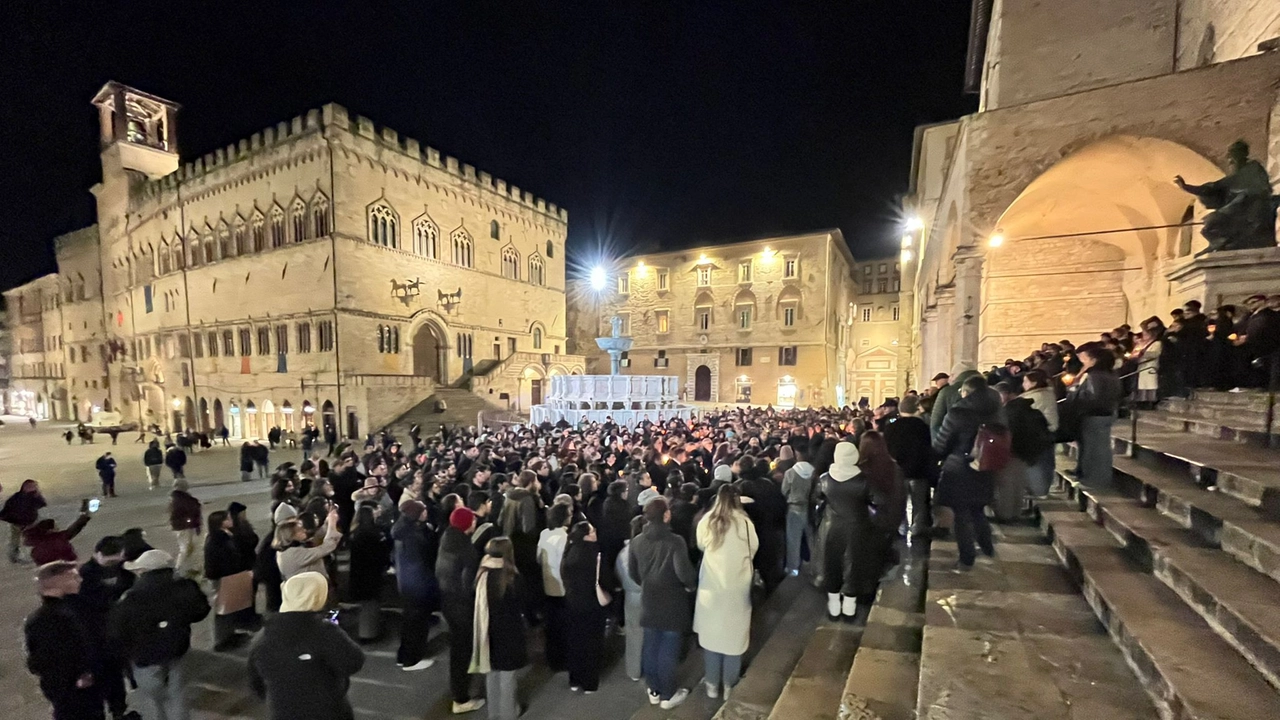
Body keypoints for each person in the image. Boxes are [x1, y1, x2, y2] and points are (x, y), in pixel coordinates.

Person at [249, 572, 366, 720]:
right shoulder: (323, 630)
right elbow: (353, 662)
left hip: (281, 712)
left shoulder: (262, 636)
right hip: (327, 711)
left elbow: (256, 683)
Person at [110, 549, 211, 720]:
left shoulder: (131, 597)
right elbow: (201, 611)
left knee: (151, 698)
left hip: (145, 656)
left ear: (144, 570)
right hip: (177, 648)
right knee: (177, 693)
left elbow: (118, 630)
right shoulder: (185, 586)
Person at [629, 497, 698, 709]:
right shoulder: (674, 541)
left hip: (650, 599)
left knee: (650, 645)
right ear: (666, 515)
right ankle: (669, 694)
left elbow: (633, 572)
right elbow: (684, 572)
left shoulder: (637, 541)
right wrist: (690, 585)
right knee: (668, 648)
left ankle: (654, 689)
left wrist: (647, 582)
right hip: (672, 601)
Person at [25, 561, 114, 720]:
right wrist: (78, 676)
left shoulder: (64, 610)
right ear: (59, 582)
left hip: (79, 686)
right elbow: (45, 657)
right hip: (73, 689)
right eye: (73, 577)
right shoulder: (49, 619)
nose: (79, 580)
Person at [933, 375, 1003, 571]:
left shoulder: (958, 412)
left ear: (966, 392)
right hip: (986, 466)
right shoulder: (996, 410)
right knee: (978, 510)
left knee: (961, 515)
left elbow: (941, 444)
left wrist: (937, 456)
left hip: (960, 469)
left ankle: (966, 559)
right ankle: (988, 548)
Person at [694, 484, 757, 700]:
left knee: (712, 637)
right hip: (737, 587)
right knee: (734, 639)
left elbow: (701, 545)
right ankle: (730, 684)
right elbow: (753, 548)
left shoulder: (707, 521)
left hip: (711, 587)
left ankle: (712, 683)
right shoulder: (744, 523)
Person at [76, 537, 136, 720]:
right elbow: (85, 605)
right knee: (101, 680)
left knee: (117, 677)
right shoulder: (84, 575)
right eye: (109, 561)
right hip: (95, 637)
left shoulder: (124, 569)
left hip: (118, 634)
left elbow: (131, 586)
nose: (113, 565)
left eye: (117, 561)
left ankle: (119, 710)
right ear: (97, 554)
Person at [816, 442, 878, 621]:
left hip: (830, 527)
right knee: (853, 564)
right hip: (857, 527)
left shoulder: (825, 478)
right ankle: (850, 608)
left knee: (831, 563)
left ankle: (833, 607)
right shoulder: (864, 479)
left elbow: (817, 498)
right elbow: (878, 500)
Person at [470, 537, 528, 720]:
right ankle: (509, 713)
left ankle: (493, 713)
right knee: (507, 677)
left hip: (487, 631)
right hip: (510, 632)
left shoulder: (482, 573)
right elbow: (524, 603)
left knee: (492, 673)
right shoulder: (512, 577)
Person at [436, 506, 486, 714]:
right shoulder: (466, 549)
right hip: (462, 606)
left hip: (447, 599)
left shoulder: (447, 539)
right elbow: (468, 584)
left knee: (458, 647)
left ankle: (461, 690)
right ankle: (461, 698)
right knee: (462, 651)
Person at [1064, 342, 1123, 489]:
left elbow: (1093, 397)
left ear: (1095, 360)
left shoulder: (1094, 375)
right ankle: (1088, 475)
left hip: (1094, 415)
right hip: (1103, 413)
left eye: (1088, 358)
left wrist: (1074, 394)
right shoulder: (1110, 374)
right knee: (1094, 447)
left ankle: (1095, 480)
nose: (1085, 361)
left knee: (1095, 449)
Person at [561, 521, 609, 693]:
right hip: (591, 604)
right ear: (587, 535)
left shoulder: (569, 552)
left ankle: (575, 679)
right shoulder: (594, 554)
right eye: (592, 530)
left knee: (575, 641)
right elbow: (604, 578)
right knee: (592, 643)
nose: (595, 532)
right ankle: (589, 682)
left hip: (573, 603)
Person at [391, 500, 437, 671]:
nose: (426, 512)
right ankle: (412, 659)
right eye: (422, 510)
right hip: (417, 583)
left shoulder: (402, 531)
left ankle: (404, 656)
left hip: (406, 582)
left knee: (410, 620)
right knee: (417, 621)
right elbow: (423, 560)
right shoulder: (413, 536)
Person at [882, 394, 934, 538]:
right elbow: (927, 449)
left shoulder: (891, 427)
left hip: (898, 471)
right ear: (916, 408)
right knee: (919, 504)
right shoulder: (923, 427)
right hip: (918, 471)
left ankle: (901, 527)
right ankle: (917, 528)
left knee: (899, 502)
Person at [204, 510, 254, 650]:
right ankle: (220, 640)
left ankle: (229, 635)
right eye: (228, 518)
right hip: (224, 578)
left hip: (230, 577)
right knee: (223, 610)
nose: (231, 520)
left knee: (230, 608)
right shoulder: (217, 540)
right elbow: (218, 562)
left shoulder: (225, 536)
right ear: (221, 523)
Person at [537, 502, 573, 673]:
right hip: (562, 588)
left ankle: (553, 659)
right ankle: (565, 660)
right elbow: (566, 564)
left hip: (546, 586)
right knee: (564, 626)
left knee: (551, 627)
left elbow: (538, 557)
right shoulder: (565, 538)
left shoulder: (544, 534)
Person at [347, 504, 390, 642]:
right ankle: (368, 635)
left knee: (367, 606)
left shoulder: (356, 532)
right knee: (370, 606)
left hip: (360, 573)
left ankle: (367, 632)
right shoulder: (372, 534)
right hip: (370, 573)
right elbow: (379, 553)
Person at [1020, 370, 1060, 499]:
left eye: (1026, 381)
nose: (1023, 384)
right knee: (1046, 462)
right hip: (1047, 432)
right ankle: (1042, 490)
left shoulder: (1035, 397)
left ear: (1034, 382)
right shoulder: (1047, 393)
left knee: (1037, 464)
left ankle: (1039, 491)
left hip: (1038, 433)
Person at [616, 515, 646, 682]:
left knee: (634, 634)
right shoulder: (647, 549)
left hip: (630, 597)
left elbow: (618, 574)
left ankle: (634, 670)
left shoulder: (623, 552)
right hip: (648, 595)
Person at [275, 510, 341, 582]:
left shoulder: (290, 547)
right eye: (299, 530)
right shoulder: (294, 554)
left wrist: (327, 523)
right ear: (290, 535)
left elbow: (315, 538)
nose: (304, 530)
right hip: (310, 590)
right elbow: (326, 547)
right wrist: (332, 523)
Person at [2, 479, 47, 563]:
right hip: (18, 523)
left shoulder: (33, 496)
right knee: (16, 541)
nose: (35, 488)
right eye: (32, 486)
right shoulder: (17, 498)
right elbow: (8, 510)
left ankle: (33, 555)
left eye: (35, 486)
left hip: (30, 522)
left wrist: (38, 495)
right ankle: (14, 557)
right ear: (25, 487)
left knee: (31, 539)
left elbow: (42, 504)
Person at [169, 479, 202, 575]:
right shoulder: (181, 499)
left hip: (184, 525)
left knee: (189, 547)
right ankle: (178, 568)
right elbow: (190, 510)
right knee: (185, 548)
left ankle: (190, 566)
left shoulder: (177, 498)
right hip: (184, 526)